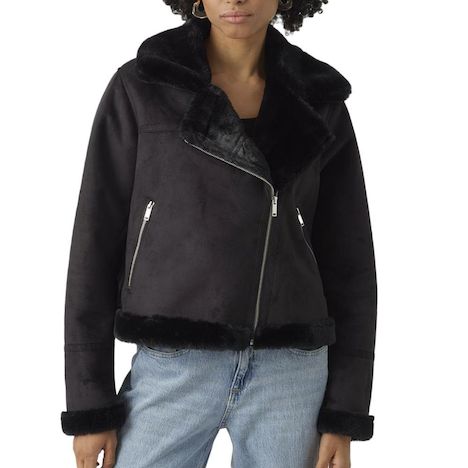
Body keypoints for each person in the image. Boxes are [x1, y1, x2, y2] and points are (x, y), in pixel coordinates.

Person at [60, 1, 378, 467]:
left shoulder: (320, 98)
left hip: (291, 373)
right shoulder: (143, 86)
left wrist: (344, 412)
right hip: (173, 363)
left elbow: (350, 260)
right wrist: (90, 407)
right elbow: (94, 243)